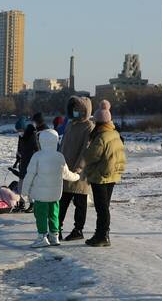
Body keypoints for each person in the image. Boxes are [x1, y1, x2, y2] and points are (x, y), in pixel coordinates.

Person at [22, 129, 80, 248]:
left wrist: (24, 190)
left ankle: (42, 237)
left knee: (41, 215)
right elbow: (66, 174)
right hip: (55, 194)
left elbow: (30, 174)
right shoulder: (59, 156)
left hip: (40, 195)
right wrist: (77, 176)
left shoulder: (37, 156)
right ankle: (54, 236)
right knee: (54, 214)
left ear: (41, 141)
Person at [82, 100, 126, 247]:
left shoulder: (101, 137)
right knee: (104, 206)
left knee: (102, 208)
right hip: (112, 174)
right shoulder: (115, 134)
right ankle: (102, 233)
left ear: (99, 122)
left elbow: (90, 156)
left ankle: (102, 235)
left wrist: (86, 150)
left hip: (100, 176)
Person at [58, 96, 95, 241]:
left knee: (80, 202)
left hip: (80, 173)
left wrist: (78, 168)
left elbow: (86, 149)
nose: (75, 111)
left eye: (78, 109)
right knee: (62, 202)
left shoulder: (89, 127)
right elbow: (63, 146)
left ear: (85, 110)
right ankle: (57, 228)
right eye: (73, 109)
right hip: (65, 170)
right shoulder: (70, 124)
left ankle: (78, 230)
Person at [15, 122, 39, 213]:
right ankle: (21, 203)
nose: (19, 132)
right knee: (21, 184)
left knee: (30, 185)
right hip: (23, 163)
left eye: (20, 130)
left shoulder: (32, 136)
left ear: (24, 129)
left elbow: (37, 149)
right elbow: (19, 147)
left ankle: (33, 204)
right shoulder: (21, 136)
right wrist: (18, 155)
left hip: (31, 163)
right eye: (17, 131)